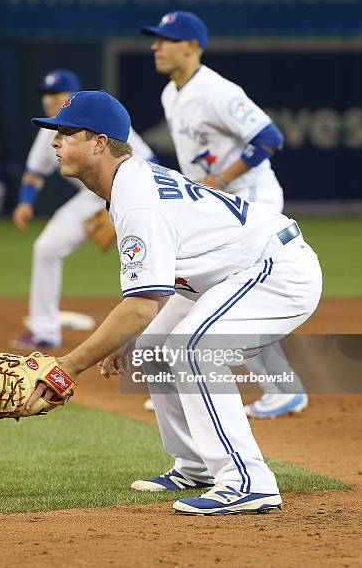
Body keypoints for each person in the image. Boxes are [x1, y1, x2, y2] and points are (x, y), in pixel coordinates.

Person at [25, 90, 322, 515]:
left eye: (67, 132)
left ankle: (247, 481)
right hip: (233, 271)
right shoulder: (127, 184)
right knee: (152, 350)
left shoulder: (138, 200)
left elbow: (143, 304)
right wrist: (127, 339)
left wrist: (67, 366)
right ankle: (196, 464)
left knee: (194, 350)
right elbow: (161, 287)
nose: (55, 141)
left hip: (276, 269)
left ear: (100, 142)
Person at [139, 10, 307, 419]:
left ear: (193, 46)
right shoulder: (170, 94)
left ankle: (276, 388)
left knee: (223, 288)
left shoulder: (216, 90)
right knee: (210, 288)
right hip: (219, 208)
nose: (156, 46)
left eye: (166, 39)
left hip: (254, 201)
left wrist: (220, 178)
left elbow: (269, 137)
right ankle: (262, 385)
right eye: (155, 39)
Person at [11, 70, 155, 349]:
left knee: (146, 257)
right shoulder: (50, 132)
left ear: (71, 98)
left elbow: (150, 163)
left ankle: (162, 325)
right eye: (45, 95)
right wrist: (25, 201)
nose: (49, 100)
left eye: (56, 95)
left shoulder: (102, 121)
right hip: (90, 199)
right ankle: (45, 331)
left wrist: (119, 206)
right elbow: (34, 172)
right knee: (46, 249)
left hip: (131, 194)